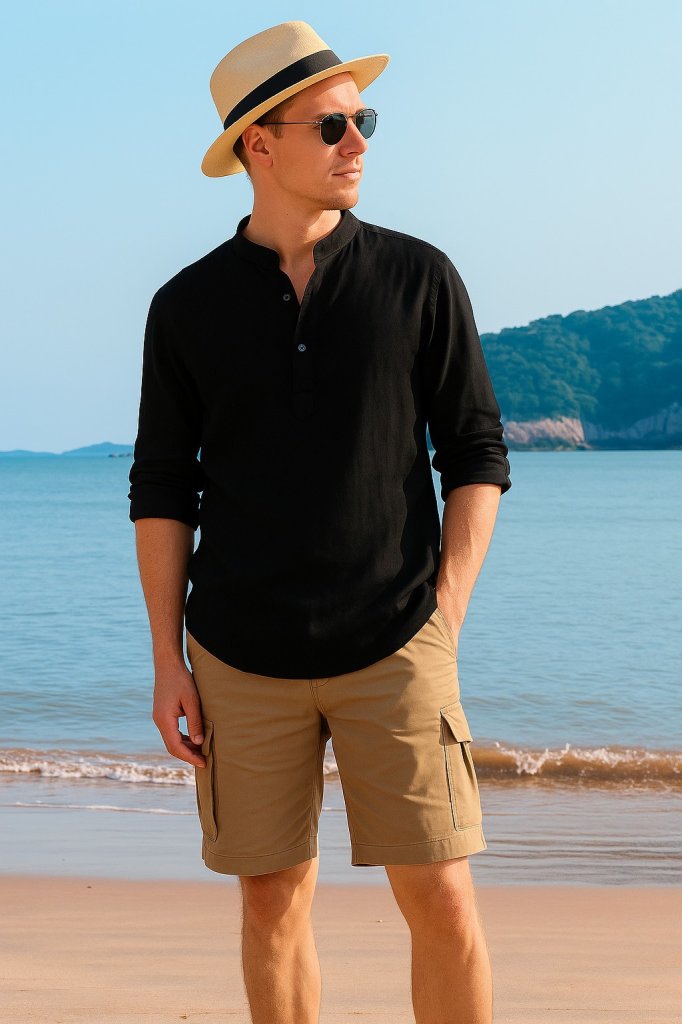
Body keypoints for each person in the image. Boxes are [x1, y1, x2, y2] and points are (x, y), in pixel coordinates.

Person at [128, 19, 511, 1024]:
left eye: (364, 121)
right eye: (333, 125)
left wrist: (446, 615)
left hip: (397, 641)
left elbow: (476, 453)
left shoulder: (419, 278)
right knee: (271, 901)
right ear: (260, 144)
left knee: (442, 896)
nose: (359, 144)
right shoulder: (186, 306)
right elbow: (162, 488)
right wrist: (167, 661)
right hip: (239, 654)